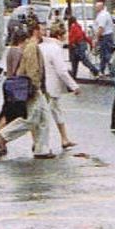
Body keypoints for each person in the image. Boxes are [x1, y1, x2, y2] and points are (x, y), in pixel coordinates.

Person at [0, 22, 53, 158]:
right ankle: (4, 135)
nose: (45, 32)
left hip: (34, 88)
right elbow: (32, 70)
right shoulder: (31, 47)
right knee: (32, 118)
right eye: (43, 29)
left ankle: (41, 149)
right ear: (35, 31)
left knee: (43, 118)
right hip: (32, 88)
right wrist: (35, 86)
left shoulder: (32, 46)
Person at [40, 21, 80, 150]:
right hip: (51, 88)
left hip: (43, 87)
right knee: (44, 118)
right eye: (65, 34)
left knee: (56, 113)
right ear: (59, 35)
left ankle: (64, 139)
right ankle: (41, 145)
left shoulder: (42, 46)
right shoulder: (55, 49)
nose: (66, 37)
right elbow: (62, 71)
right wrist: (74, 86)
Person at [94, 1, 115, 76]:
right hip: (107, 36)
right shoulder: (105, 14)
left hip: (105, 37)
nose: (95, 8)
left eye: (97, 7)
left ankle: (112, 71)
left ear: (101, 7)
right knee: (103, 55)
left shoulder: (102, 15)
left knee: (106, 55)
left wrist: (96, 38)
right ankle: (102, 70)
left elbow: (101, 28)